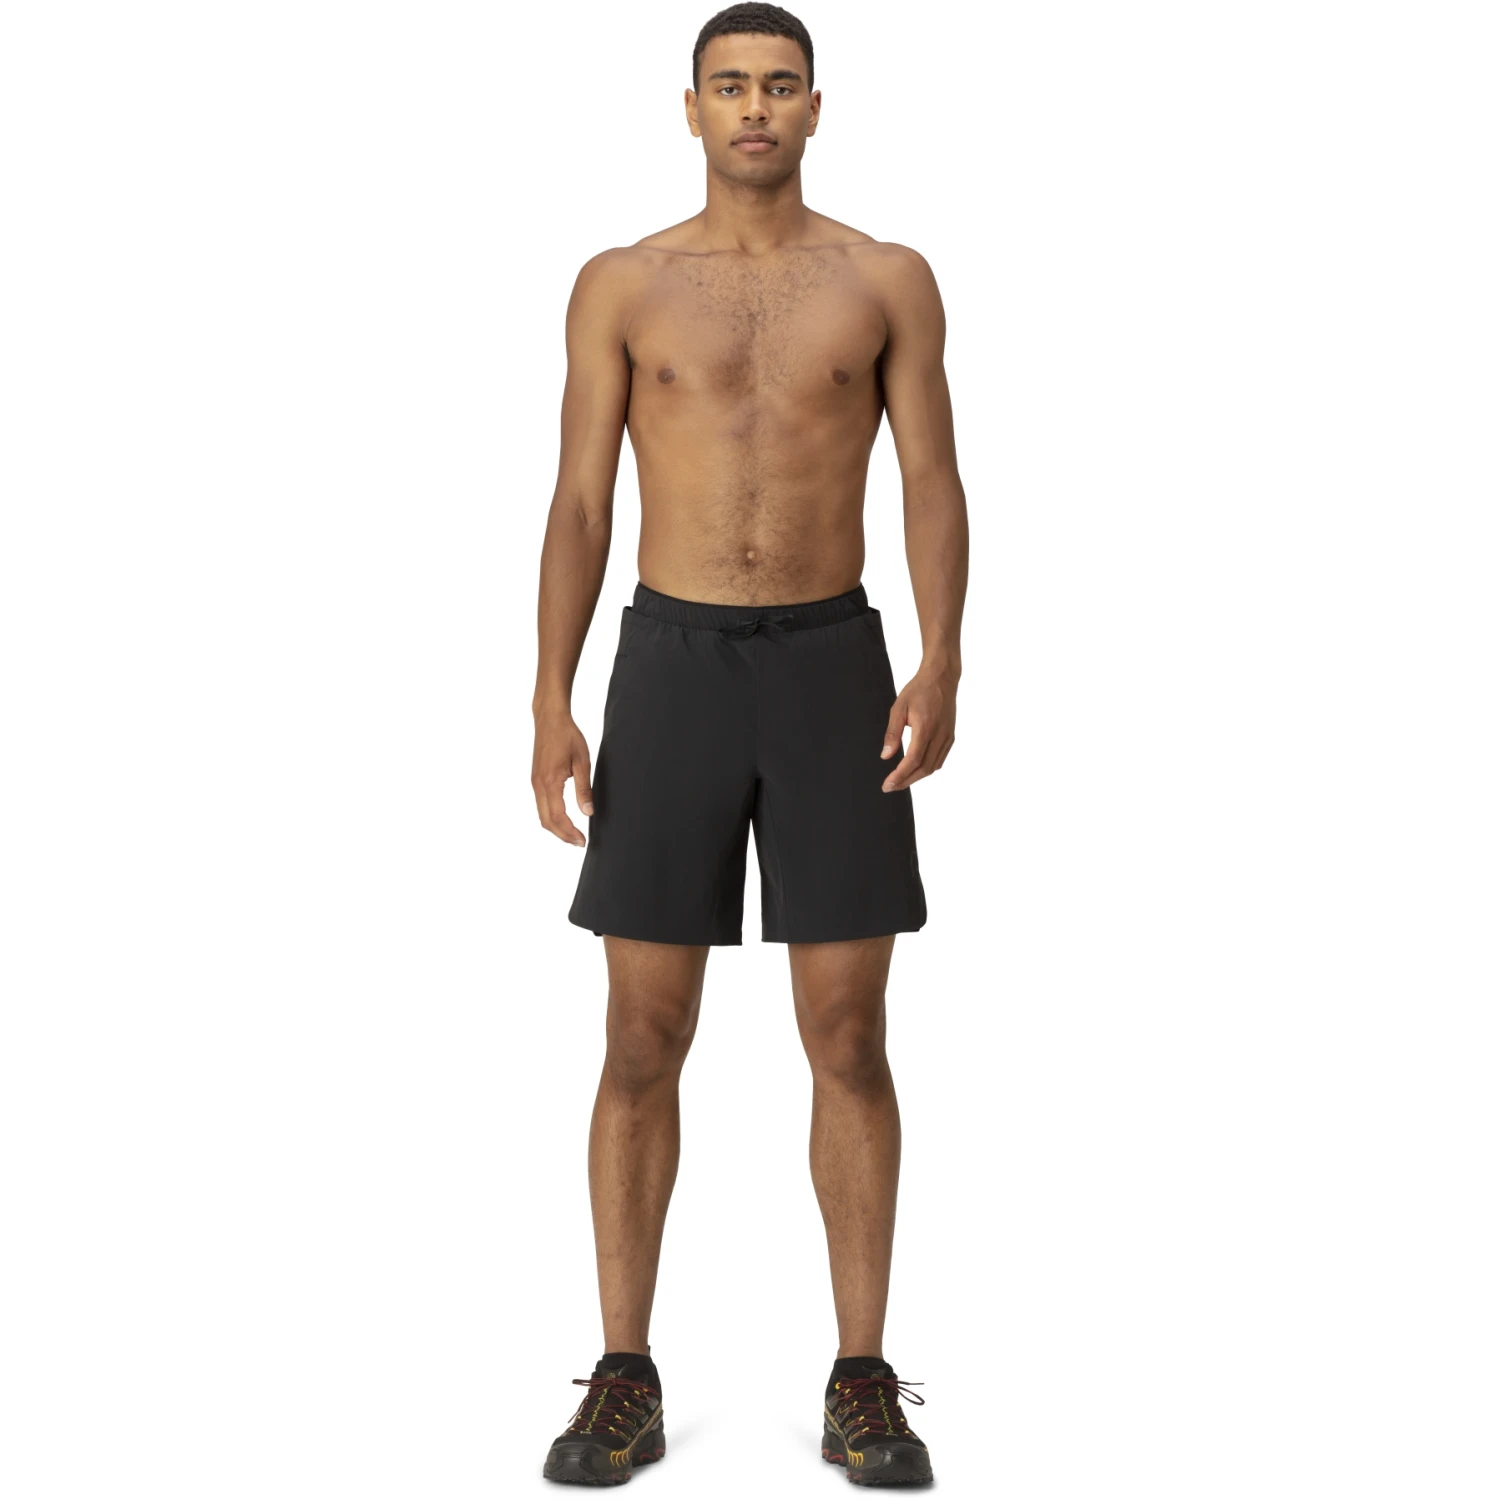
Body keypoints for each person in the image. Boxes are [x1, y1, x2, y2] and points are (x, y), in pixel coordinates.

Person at [531, 3, 967, 1485]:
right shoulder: (624, 283)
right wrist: (551, 693)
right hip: (671, 664)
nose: (756, 108)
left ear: (817, 108)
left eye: (781, 85)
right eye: (731, 87)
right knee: (640, 1037)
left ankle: (861, 1378)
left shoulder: (886, 278)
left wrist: (943, 657)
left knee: (848, 1035)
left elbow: (932, 477)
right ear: (692, 109)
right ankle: (624, 1374)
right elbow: (580, 498)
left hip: (836, 665)